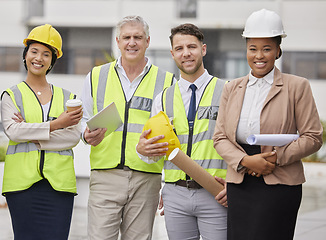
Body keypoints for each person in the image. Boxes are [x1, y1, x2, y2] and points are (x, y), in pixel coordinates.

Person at [212, 9, 323, 240]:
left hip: (279, 183)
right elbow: (220, 137)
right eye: (253, 49)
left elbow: (313, 137)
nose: (259, 56)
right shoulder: (231, 88)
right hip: (240, 180)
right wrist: (245, 160)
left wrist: (276, 159)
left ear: (278, 51)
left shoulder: (297, 86)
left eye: (266, 49)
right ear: (246, 50)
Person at [80, 15, 174, 240]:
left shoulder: (167, 82)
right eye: (127, 37)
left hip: (146, 179)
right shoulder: (96, 76)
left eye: (138, 37)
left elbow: (173, 136)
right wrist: (85, 134)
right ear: (118, 41)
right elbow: (82, 119)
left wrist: (169, 184)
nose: (132, 42)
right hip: (105, 176)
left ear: (148, 41)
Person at [137, 23, 228, 240]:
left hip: (216, 192)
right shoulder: (163, 98)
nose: (186, 53)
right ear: (172, 54)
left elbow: (239, 144)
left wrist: (236, 186)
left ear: (203, 49)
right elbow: (154, 153)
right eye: (179, 49)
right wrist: (142, 150)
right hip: (175, 195)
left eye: (191, 47)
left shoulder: (227, 91)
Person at [1, 24, 83, 240]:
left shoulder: (68, 97)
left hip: (59, 186)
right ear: (25, 54)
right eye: (34, 51)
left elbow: (73, 136)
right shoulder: (11, 95)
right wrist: (57, 124)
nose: (39, 58)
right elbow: (13, 131)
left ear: (53, 61)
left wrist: (33, 133)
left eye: (46, 54)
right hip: (21, 186)